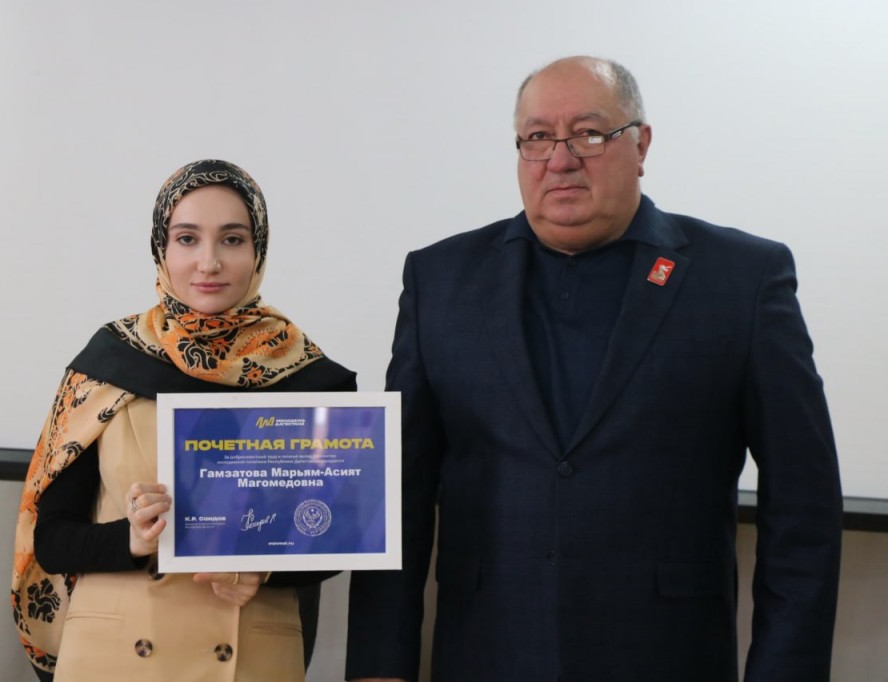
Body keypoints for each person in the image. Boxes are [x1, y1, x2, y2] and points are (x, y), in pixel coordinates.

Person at [346, 56, 842, 682]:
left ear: (642, 145)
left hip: (668, 658)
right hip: (489, 655)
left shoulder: (741, 280)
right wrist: (378, 668)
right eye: (537, 137)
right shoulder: (441, 280)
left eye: (589, 133)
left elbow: (803, 507)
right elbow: (398, 498)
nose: (560, 159)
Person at [11, 159, 356, 681]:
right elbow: (52, 539)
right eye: (187, 239)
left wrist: (265, 568)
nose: (208, 262)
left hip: (251, 656)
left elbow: (335, 535)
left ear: (258, 250)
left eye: (232, 239)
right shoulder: (106, 363)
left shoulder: (310, 377)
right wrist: (132, 539)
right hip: (114, 657)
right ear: (162, 248)